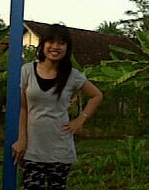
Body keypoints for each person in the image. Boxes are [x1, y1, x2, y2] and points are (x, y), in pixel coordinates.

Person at [11, 24, 103, 189]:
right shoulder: (27, 71)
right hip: (33, 150)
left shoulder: (72, 75)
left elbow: (96, 95)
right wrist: (22, 138)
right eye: (50, 42)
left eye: (61, 43)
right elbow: (24, 109)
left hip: (60, 149)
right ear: (43, 45)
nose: (55, 47)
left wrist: (80, 120)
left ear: (67, 48)